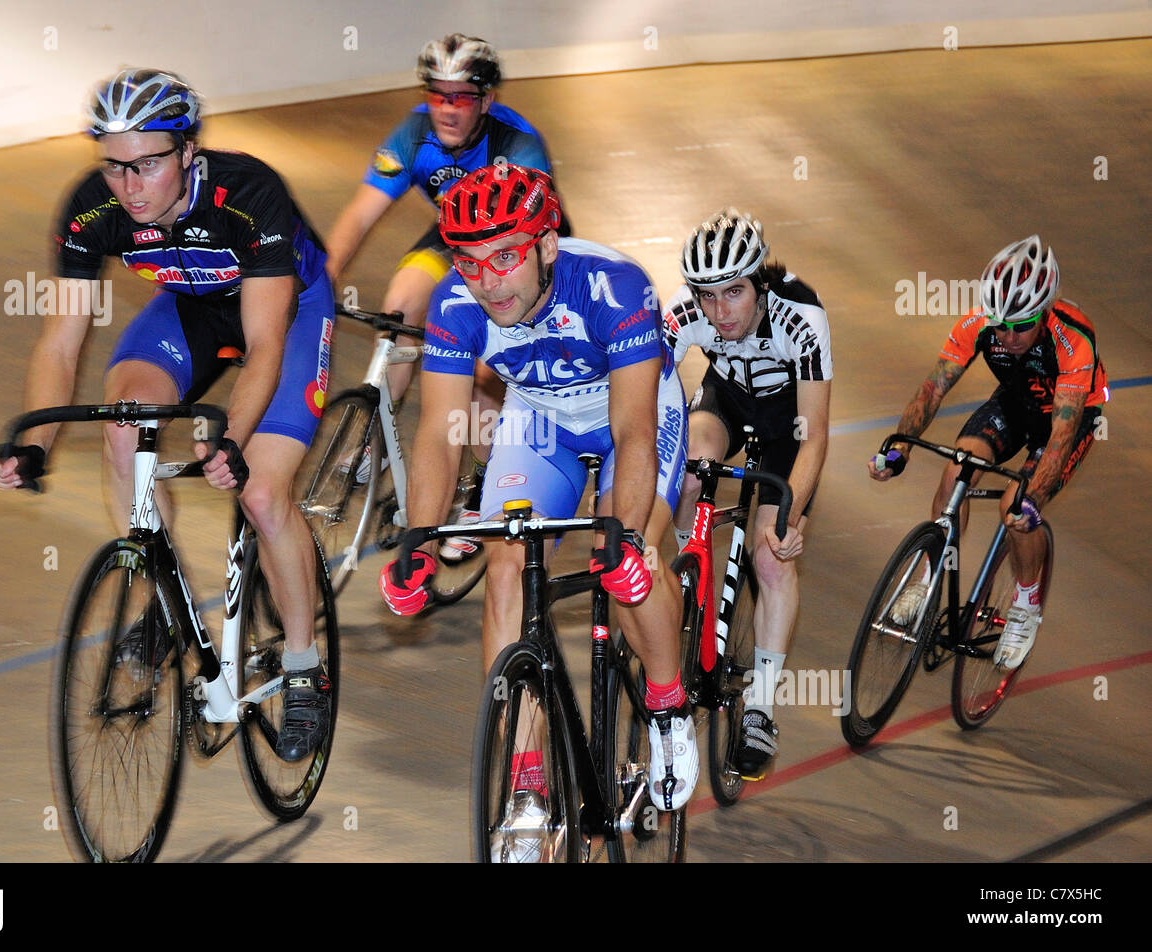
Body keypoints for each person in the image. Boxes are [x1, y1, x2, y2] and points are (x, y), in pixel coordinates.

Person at [0, 68, 335, 760]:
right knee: (123, 424)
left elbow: (265, 344)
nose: (129, 186)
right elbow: (61, 341)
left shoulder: (250, 193)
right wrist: (38, 443)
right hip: (191, 309)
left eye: (147, 164)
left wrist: (232, 441)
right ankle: (166, 601)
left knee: (263, 493)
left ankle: (304, 664)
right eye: (114, 167)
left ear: (187, 152)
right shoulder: (92, 208)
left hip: (286, 313)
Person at [377, 165, 697, 839]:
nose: (488, 282)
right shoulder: (456, 304)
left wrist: (626, 534)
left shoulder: (614, 285)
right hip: (540, 420)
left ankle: (669, 704)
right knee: (503, 570)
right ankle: (527, 783)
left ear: (547, 245)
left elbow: (636, 430)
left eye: (505, 257)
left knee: (631, 573)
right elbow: (439, 430)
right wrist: (419, 540)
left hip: (627, 417)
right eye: (469, 262)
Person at [326, 34, 566, 558]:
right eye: (438, 94)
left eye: (461, 96)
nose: (447, 109)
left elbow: (530, 246)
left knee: (484, 368)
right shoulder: (412, 134)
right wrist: (323, 278)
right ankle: (374, 440)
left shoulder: (518, 145)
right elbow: (361, 213)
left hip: (519, 251)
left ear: (487, 100)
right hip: (457, 237)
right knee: (401, 305)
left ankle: (483, 483)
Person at [870, 235, 1107, 669]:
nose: (1009, 336)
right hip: (1017, 402)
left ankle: (1025, 605)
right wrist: (899, 445)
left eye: (1021, 326)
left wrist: (1031, 499)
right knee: (955, 470)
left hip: (1068, 419)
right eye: (1001, 325)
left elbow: (1059, 435)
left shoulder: (1073, 340)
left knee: (1014, 511)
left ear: (1045, 312)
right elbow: (933, 388)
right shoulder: (978, 324)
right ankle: (926, 578)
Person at [663, 209, 832, 780]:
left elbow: (815, 434)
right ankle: (693, 582)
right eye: (707, 296)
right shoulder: (687, 315)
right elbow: (644, 397)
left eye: (733, 293)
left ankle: (761, 704)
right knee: (686, 473)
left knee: (769, 553)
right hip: (727, 401)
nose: (719, 312)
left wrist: (789, 513)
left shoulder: (802, 318)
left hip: (789, 427)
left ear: (760, 282)